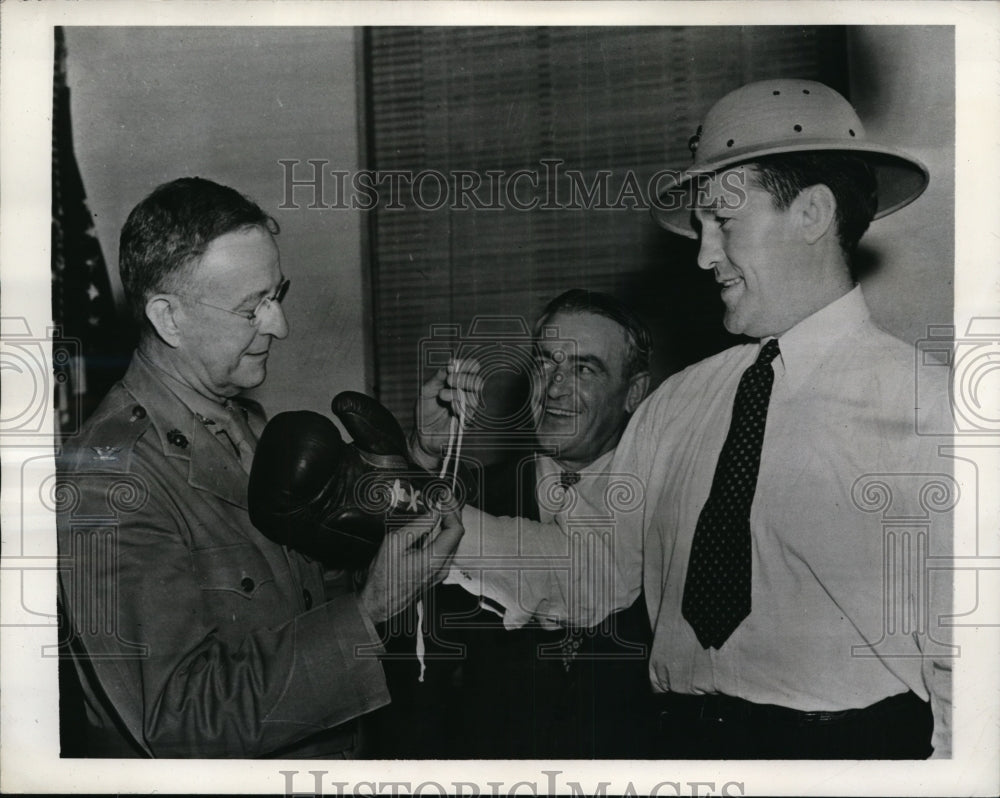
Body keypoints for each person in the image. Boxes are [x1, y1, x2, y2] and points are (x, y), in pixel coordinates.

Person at [449, 79, 954, 759]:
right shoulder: (677, 406)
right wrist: (422, 515)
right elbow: (590, 569)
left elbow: (971, 665)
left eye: (724, 222)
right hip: (682, 750)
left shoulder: (931, 410)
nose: (703, 254)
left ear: (811, 214)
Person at [56, 177, 463, 758]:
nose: (280, 326)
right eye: (253, 308)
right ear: (168, 319)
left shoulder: (244, 424)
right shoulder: (111, 479)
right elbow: (178, 720)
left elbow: (302, 604)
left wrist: (412, 465)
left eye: (279, 295)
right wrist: (370, 611)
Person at [387, 289, 654, 758]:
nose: (554, 388)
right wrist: (425, 454)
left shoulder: (667, 511)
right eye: (546, 363)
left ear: (634, 393)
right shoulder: (470, 495)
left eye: (584, 369)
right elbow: (405, 664)